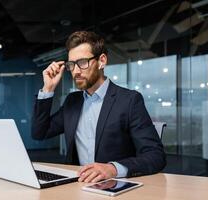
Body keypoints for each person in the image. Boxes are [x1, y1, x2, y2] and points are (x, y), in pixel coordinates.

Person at [31, 31, 166, 183]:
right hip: (77, 185)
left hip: (115, 186)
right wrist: (48, 89)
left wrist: (113, 169)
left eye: (82, 62)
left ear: (102, 61)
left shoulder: (129, 101)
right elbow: (39, 133)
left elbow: (155, 156)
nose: (75, 71)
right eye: (71, 65)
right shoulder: (72, 101)